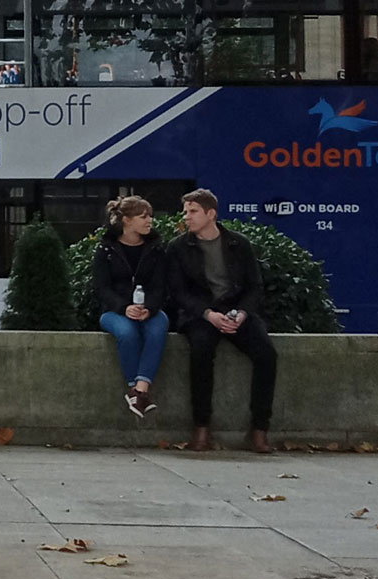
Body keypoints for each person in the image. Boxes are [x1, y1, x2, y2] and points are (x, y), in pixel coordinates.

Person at [168, 187, 278, 452]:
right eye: (186, 212)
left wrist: (241, 313)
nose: (187, 217)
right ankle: (201, 428)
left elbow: (255, 286)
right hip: (200, 315)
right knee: (201, 351)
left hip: (235, 311)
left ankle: (260, 430)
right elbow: (178, 292)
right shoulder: (179, 247)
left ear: (211, 214)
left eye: (193, 211)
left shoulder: (238, 244)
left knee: (267, 354)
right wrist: (208, 314)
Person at [92, 194, 170, 417]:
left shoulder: (156, 250)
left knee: (158, 326)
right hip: (114, 312)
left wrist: (150, 308)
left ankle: (139, 390)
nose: (149, 221)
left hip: (148, 310)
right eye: (143, 216)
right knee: (127, 332)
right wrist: (124, 307)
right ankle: (134, 388)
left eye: (150, 217)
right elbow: (101, 288)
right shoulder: (106, 250)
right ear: (127, 220)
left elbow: (161, 287)